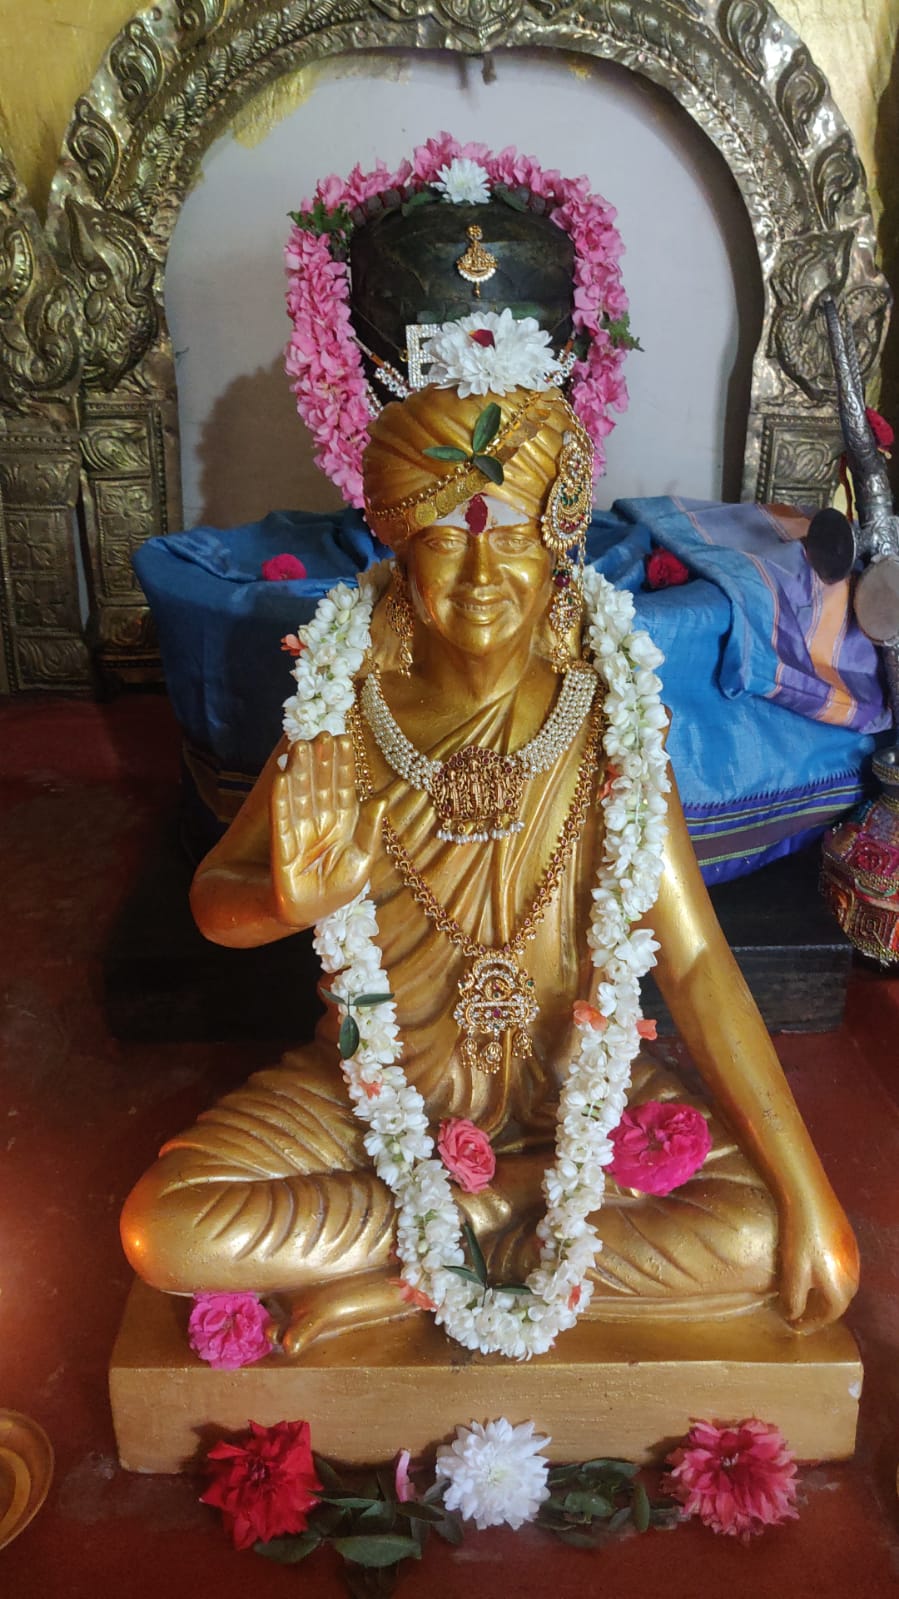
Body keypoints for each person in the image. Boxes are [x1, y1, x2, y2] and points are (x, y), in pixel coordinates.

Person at [121, 382, 858, 1356]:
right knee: (165, 1227)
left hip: (574, 1084)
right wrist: (287, 900)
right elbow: (215, 900)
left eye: (509, 537)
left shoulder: (609, 723)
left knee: (754, 1232)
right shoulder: (342, 715)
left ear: (556, 547)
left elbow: (690, 961)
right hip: (375, 1093)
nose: (479, 573)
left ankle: (433, 1250)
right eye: (443, 539)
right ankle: (497, 1231)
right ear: (397, 549)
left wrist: (809, 1192)